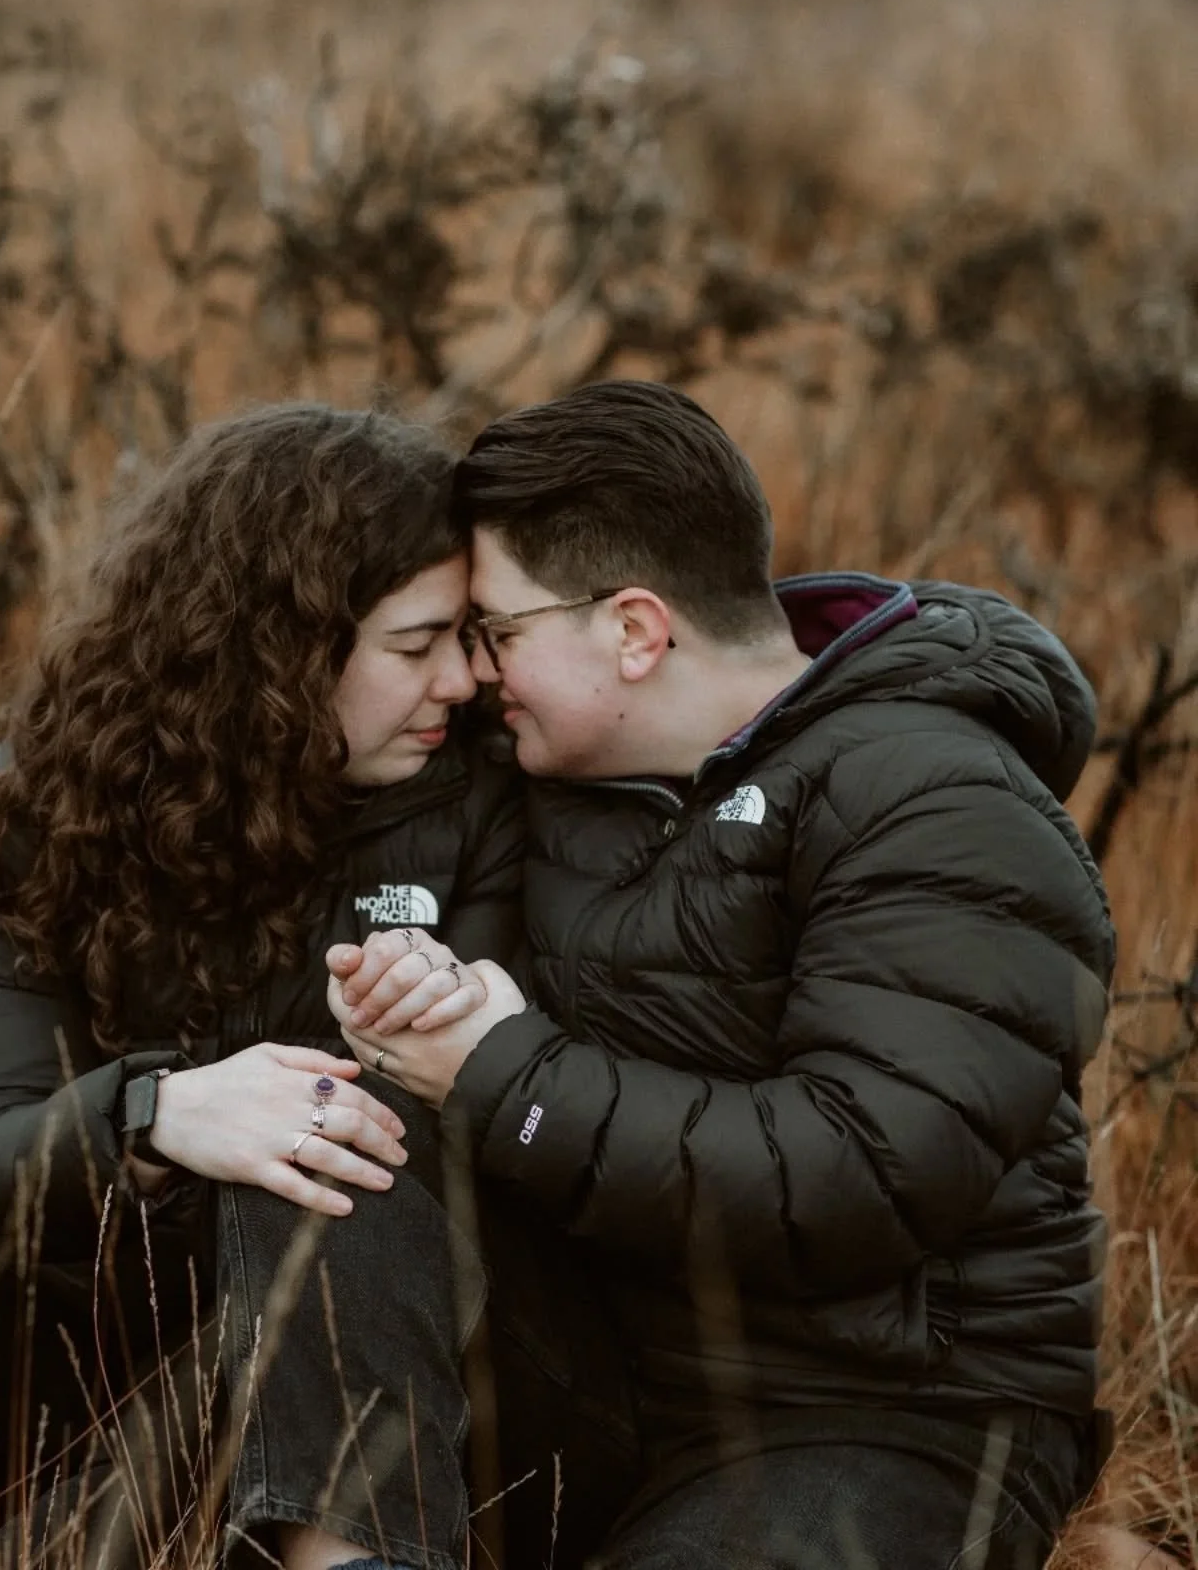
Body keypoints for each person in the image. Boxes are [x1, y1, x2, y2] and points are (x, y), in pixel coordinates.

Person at [331, 379, 1115, 1570]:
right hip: (615, 1377)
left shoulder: (937, 800)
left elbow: (865, 1169)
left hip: (887, 1413)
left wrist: (507, 1073)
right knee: (317, 1145)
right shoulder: (550, 776)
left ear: (637, 631)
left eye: (497, 633)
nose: (475, 674)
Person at [0, 403, 524, 1570]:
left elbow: (488, 1130)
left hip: (350, 1300)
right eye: (417, 646)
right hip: (65, 1292)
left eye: (467, 636)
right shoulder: (11, 824)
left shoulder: (479, 805)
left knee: (296, 1250)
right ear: (283, 646)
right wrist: (154, 1113)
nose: (464, 680)